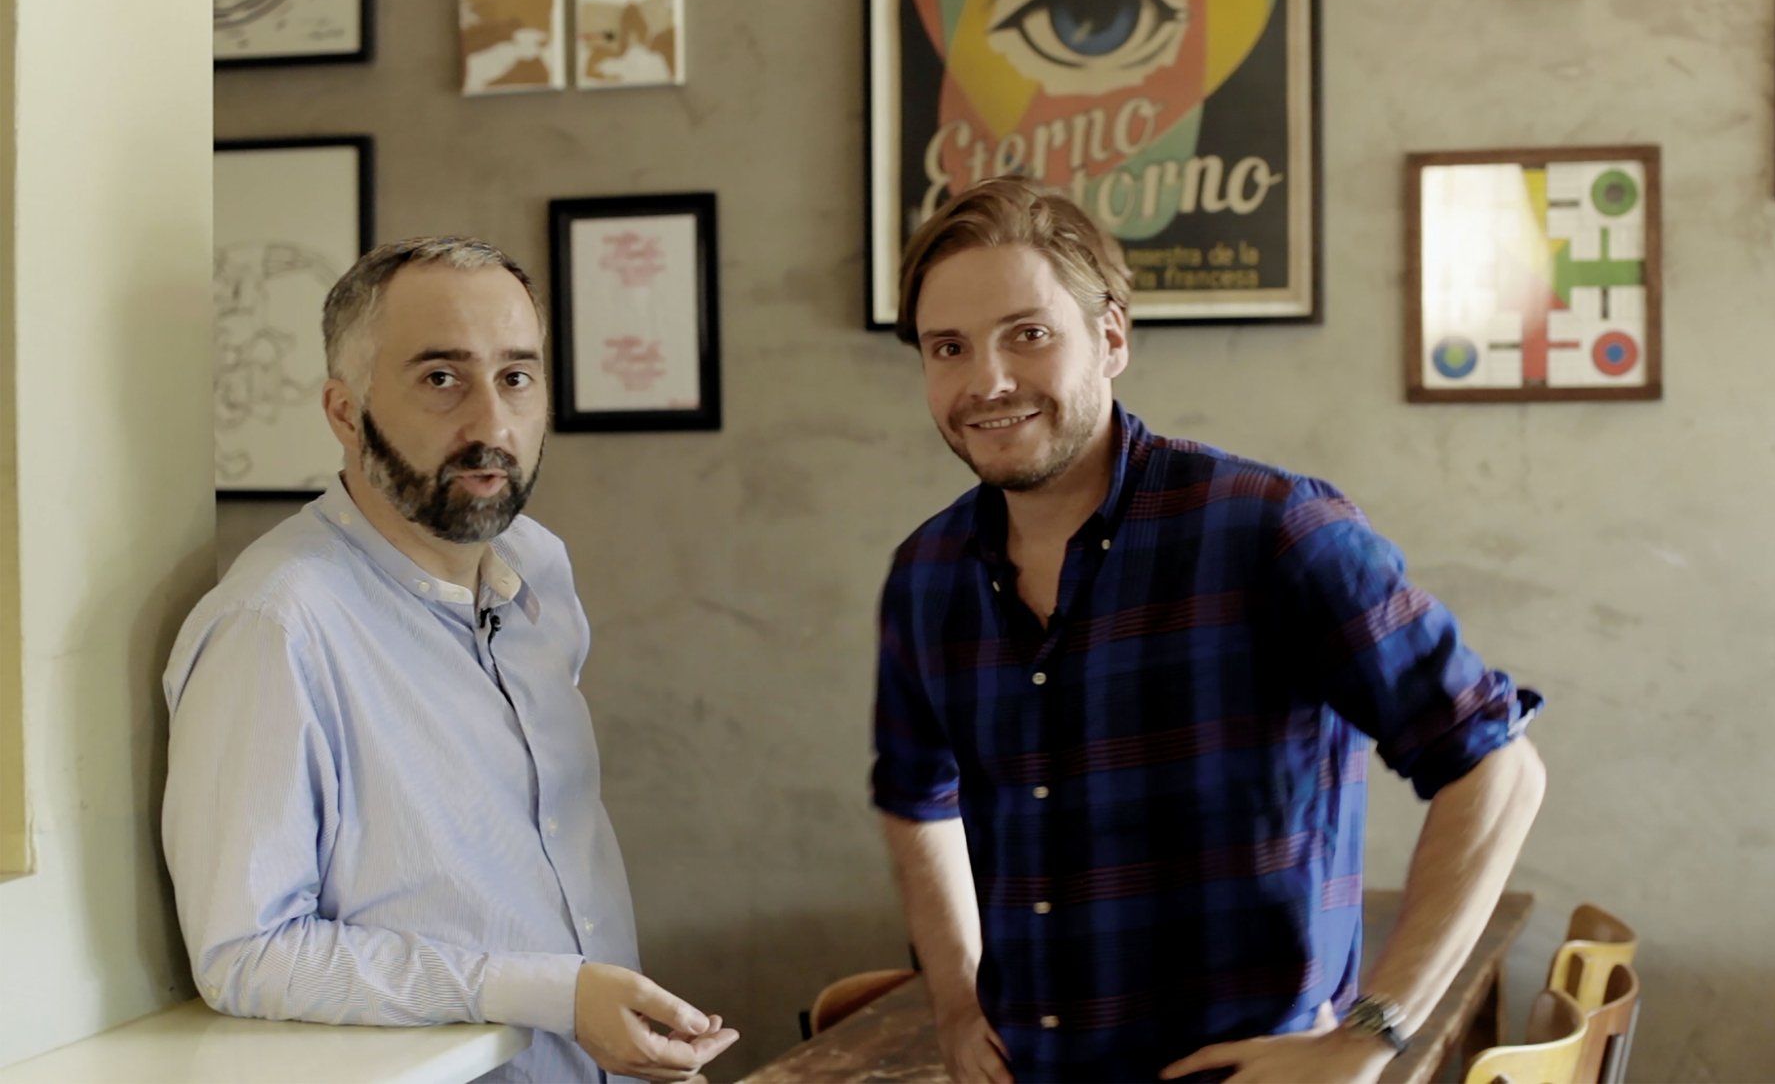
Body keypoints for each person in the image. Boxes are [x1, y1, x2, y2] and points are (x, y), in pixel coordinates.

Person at [871, 179, 1547, 1083]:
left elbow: (1497, 766)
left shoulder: (1275, 530)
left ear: (1111, 337)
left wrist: (1373, 1033)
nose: (986, 381)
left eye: (1027, 334)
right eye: (947, 348)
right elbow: (918, 798)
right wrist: (956, 1000)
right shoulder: (926, 573)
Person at [162, 237, 737, 1083]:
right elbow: (246, 952)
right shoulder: (276, 623)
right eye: (441, 378)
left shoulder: (538, 570)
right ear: (344, 411)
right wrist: (552, 992)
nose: (492, 425)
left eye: (516, 376)